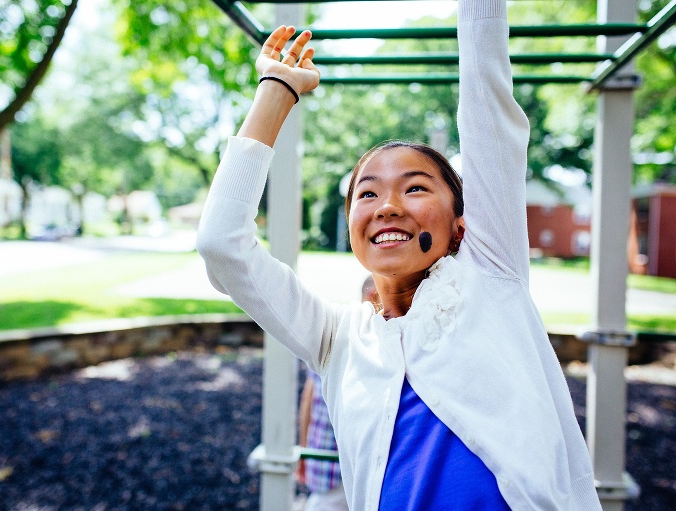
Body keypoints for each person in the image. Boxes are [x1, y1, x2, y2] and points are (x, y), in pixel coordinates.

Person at [197, 0, 603, 508]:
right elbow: (220, 244)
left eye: (414, 189)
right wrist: (277, 88)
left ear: (461, 225)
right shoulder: (334, 339)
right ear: (352, 229)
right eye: (366, 193)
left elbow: (486, 96)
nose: (387, 206)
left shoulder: (492, 277)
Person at [296, 276, 377, 511]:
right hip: (334, 463)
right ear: (373, 295)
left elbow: (306, 401)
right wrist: (305, 449)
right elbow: (308, 401)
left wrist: (304, 449)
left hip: (346, 463)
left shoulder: (336, 334)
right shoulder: (351, 336)